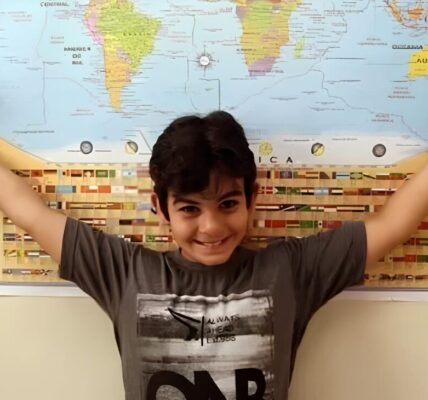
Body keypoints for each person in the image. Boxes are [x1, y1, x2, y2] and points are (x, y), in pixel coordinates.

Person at [0, 110, 427, 399]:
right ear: (160, 208)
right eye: (190, 208)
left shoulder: (290, 270)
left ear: (252, 199)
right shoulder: (123, 272)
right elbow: (28, 211)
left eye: (227, 204)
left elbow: (393, 223)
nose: (212, 227)